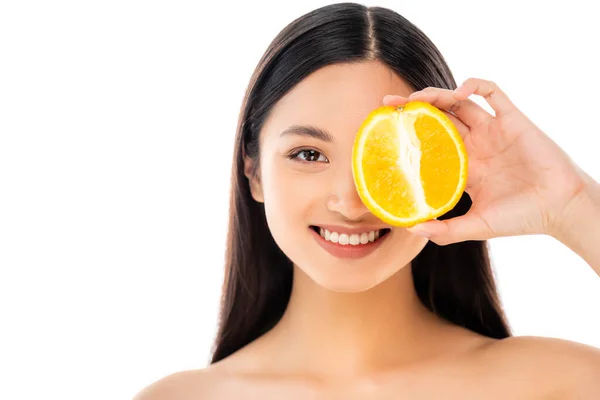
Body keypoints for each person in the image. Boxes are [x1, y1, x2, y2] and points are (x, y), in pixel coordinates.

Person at [135, 3, 600, 398]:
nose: (351, 202)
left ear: (446, 171)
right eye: (309, 154)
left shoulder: (555, 383)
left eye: (389, 158)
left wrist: (572, 204)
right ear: (254, 172)